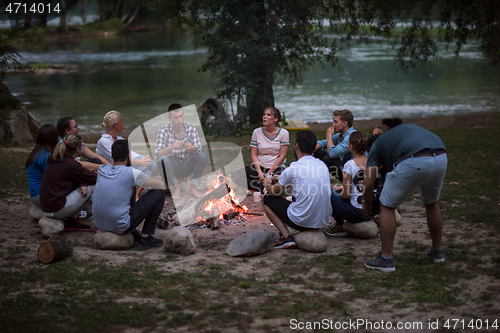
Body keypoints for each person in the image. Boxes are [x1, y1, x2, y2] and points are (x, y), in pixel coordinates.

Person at [362, 124, 447, 272]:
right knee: (432, 203)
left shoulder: (376, 146)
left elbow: (368, 184)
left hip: (415, 159)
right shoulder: (396, 136)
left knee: (387, 206)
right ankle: (437, 251)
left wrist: (368, 204)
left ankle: (386, 258)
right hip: (440, 156)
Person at [262, 130, 332, 249]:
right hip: (322, 219)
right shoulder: (322, 165)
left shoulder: (293, 168)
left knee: (267, 199)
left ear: (296, 146)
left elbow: (274, 193)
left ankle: (286, 237)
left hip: (302, 221)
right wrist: (283, 178)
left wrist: (267, 183)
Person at [93, 140, 165, 250]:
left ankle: (133, 231)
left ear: (112, 155)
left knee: (127, 188)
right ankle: (146, 237)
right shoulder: (131, 173)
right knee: (159, 192)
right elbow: (159, 184)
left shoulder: (102, 170)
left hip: (100, 224)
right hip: (120, 226)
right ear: (128, 156)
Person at [40, 134, 97, 231]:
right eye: (83, 146)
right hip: (56, 208)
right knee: (92, 186)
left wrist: (81, 184)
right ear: (78, 149)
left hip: (48, 206)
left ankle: (72, 221)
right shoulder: (70, 164)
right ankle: (103, 219)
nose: (83, 148)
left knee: (85, 186)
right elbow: (94, 179)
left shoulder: (59, 159)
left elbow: (74, 177)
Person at [96, 110, 157, 200]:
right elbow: (115, 159)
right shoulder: (103, 141)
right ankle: (151, 190)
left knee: (152, 163)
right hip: (111, 167)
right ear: (116, 125)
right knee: (142, 165)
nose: (123, 125)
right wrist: (140, 162)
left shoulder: (120, 139)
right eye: (122, 122)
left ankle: (137, 193)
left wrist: (145, 159)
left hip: (124, 164)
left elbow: (131, 154)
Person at [155, 103, 208, 200]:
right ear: (169, 118)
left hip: (186, 165)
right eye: (175, 117)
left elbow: (199, 150)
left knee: (203, 156)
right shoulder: (163, 131)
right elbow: (158, 155)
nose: (179, 120)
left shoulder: (191, 129)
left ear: (183, 115)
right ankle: (176, 188)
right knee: (163, 159)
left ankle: (193, 188)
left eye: (181, 116)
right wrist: (172, 147)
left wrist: (192, 148)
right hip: (171, 167)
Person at [231, 107, 290, 193]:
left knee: (283, 178)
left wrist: (269, 174)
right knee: (235, 176)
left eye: (268, 115)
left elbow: (282, 156)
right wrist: (259, 172)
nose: (264, 117)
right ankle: (262, 187)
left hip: (276, 168)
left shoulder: (283, 133)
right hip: (260, 166)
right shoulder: (256, 132)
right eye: (264, 114)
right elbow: (254, 155)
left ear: (275, 119)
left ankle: (260, 186)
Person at [326, 131, 373, 236]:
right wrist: (344, 187)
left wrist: (343, 189)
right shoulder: (372, 161)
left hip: (358, 212)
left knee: (329, 192)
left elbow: (345, 195)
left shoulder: (350, 165)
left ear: (351, 147)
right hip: (371, 211)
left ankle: (339, 226)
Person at [314, 110, 356, 181]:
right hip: (347, 169)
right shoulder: (340, 135)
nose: (333, 125)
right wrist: (310, 151)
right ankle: (312, 176)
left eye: (336, 122)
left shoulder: (351, 136)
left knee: (329, 159)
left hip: (355, 175)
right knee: (318, 152)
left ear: (344, 123)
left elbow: (332, 154)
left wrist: (329, 136)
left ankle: (315, 179)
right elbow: (323, 143)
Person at [26, 124, 59, 207]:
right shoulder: (46, 156)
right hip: (42, 196)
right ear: (53, 138)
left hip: (36, 195)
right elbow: (55, 178)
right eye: (57, 136)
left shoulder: (38, 152)